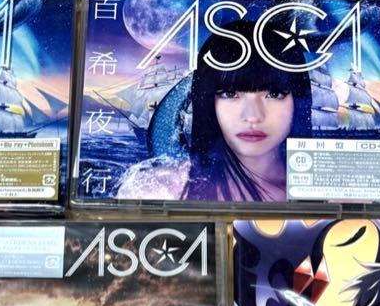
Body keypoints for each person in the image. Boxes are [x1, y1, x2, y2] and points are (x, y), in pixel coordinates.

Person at [116, 19, 312, 201]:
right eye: (230, 94)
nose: (252, 116)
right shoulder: (154, 190)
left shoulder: (325, 194)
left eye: (274, 94)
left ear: (299, 100)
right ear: (207, 101)